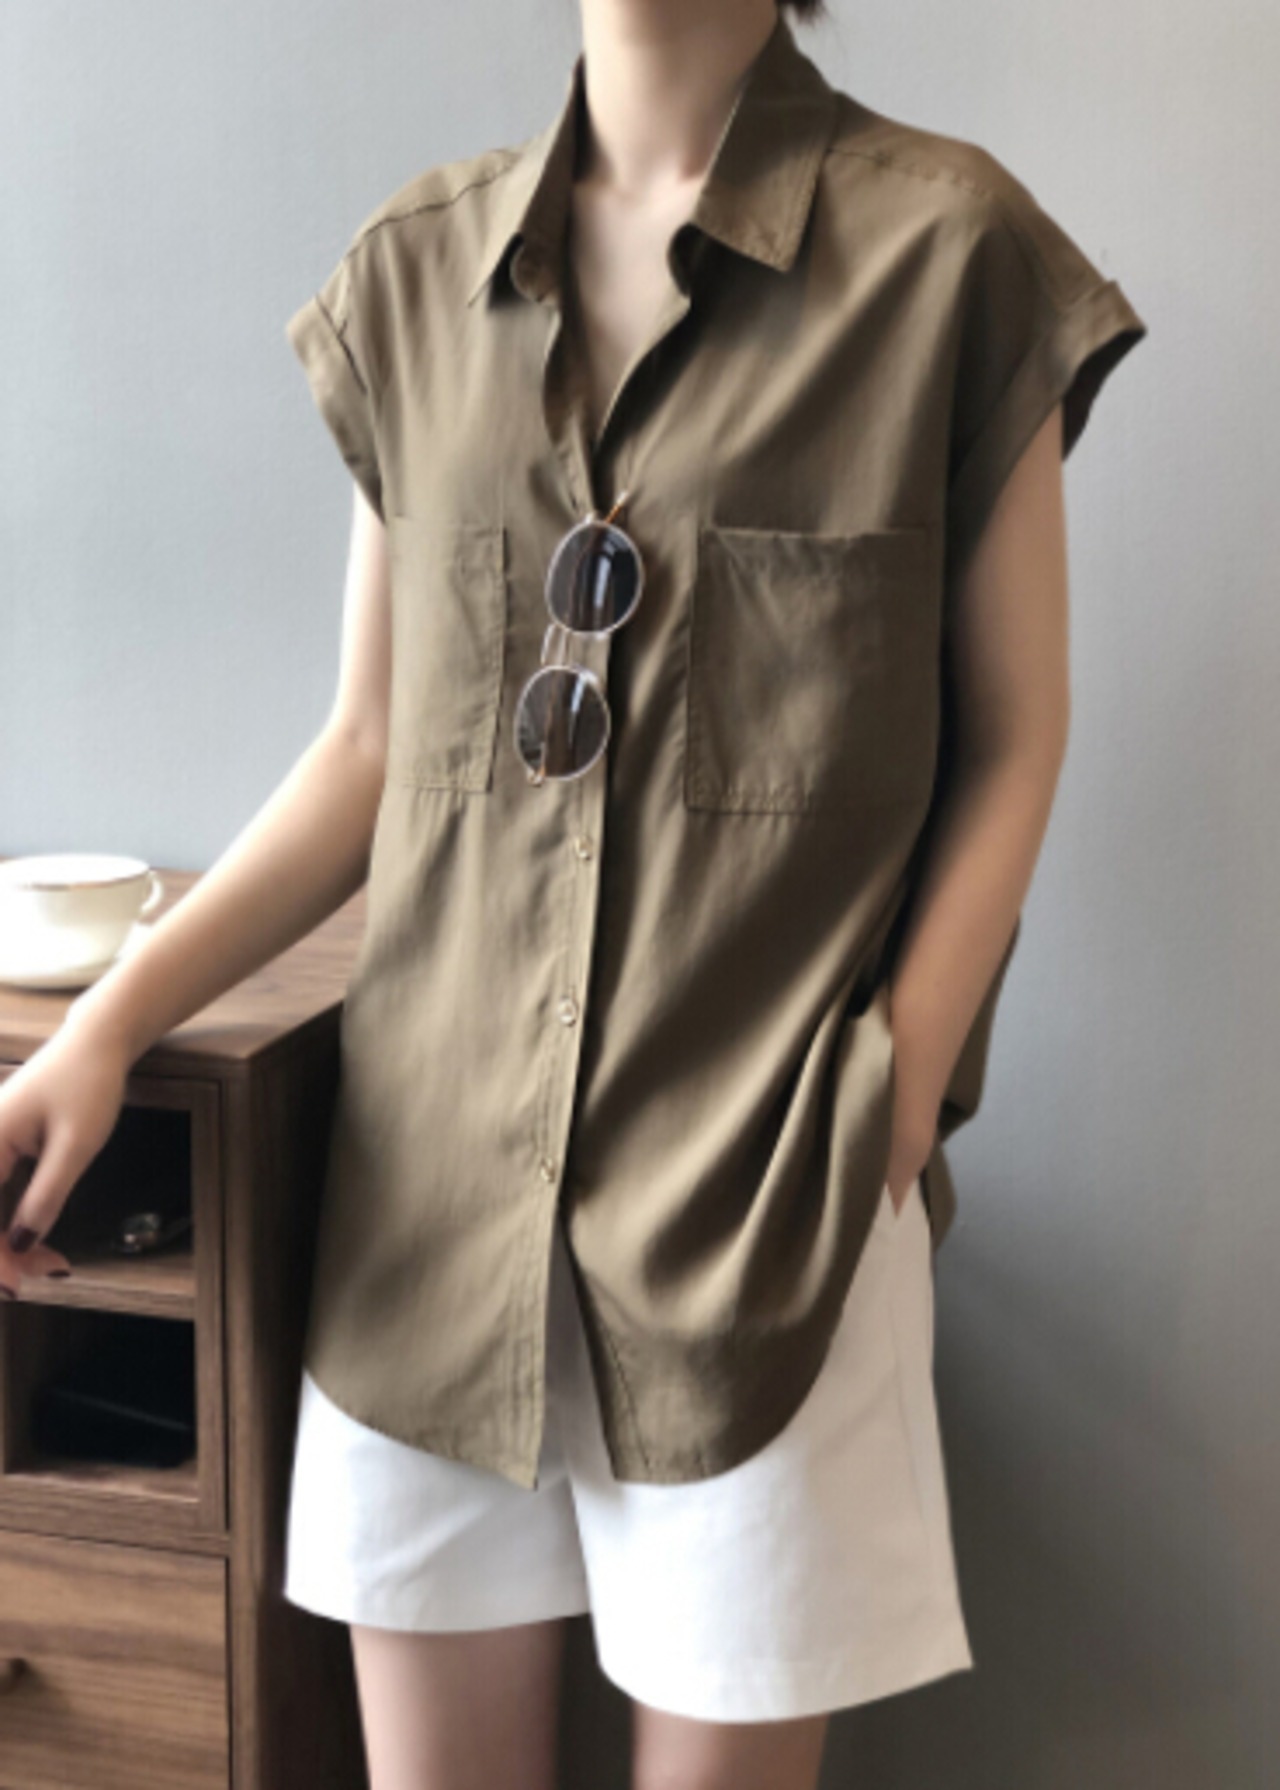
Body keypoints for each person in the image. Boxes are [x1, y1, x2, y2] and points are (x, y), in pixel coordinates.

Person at [0, 1, 1147, 1786]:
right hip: (428, 1230)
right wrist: (111, 1023)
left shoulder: (951, 257)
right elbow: (369, 750)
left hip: (767, 1217)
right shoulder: (417, 274)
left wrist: (894, 1095)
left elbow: (1016, 734)